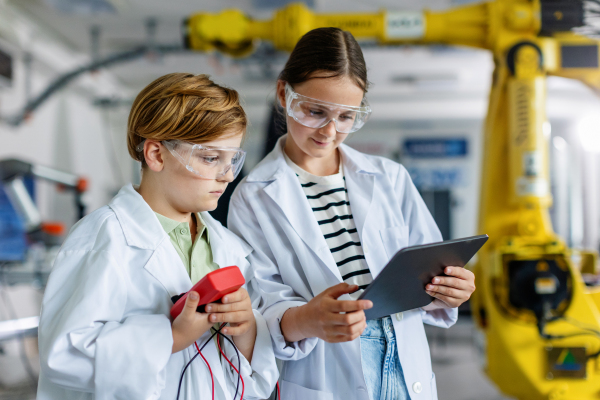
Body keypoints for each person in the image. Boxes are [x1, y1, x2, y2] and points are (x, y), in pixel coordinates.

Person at [228, 28, 476, 400]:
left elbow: (428, 268)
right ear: (284, 95)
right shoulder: (253, 197)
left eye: (347, 116)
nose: (330, 131)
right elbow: (261, 308)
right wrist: (308, 318)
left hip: (405, 358)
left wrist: (452, 290)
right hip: (327, 367)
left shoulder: (389, 177)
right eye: (316, 111)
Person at [37, 73, 278, 400]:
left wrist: (247, 330)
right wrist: (170, 337)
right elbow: (63, 356)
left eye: (233, 158)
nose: (228, 175)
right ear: (156, 155)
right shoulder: (104, 237)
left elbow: (248, 380)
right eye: (211, 158)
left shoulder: (229, 248)